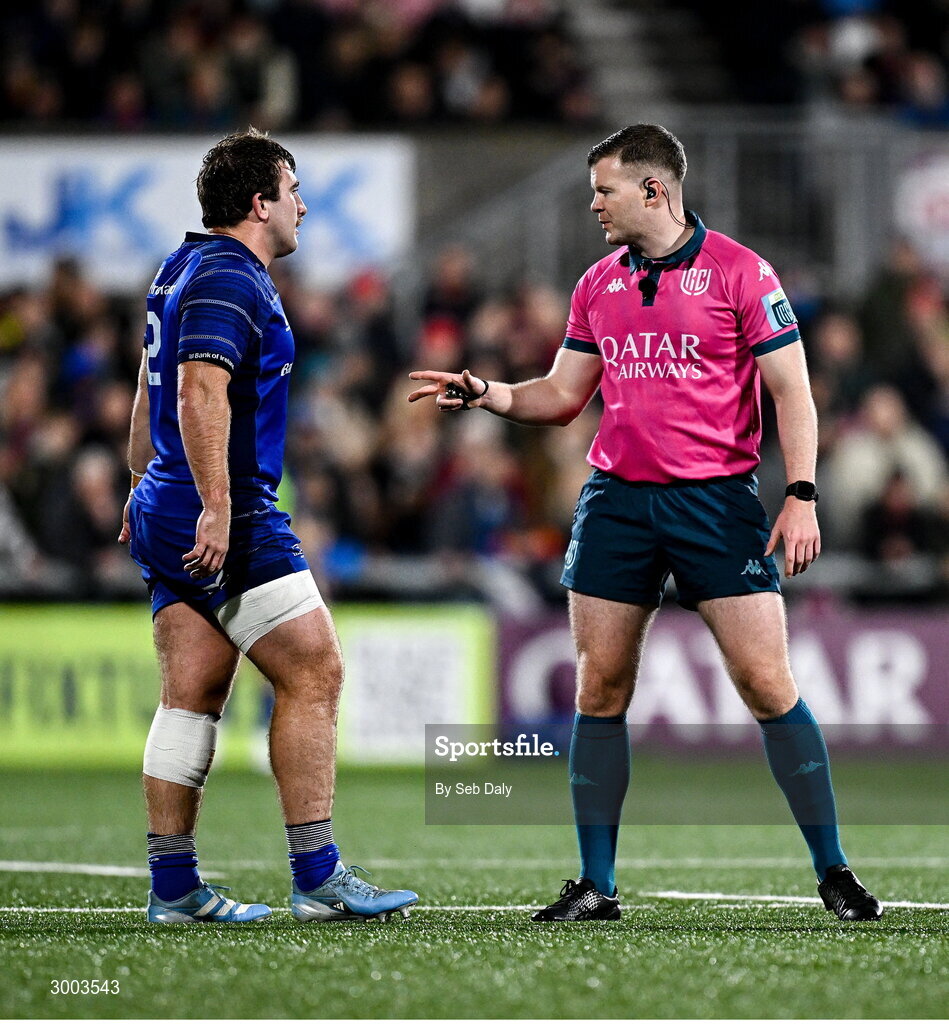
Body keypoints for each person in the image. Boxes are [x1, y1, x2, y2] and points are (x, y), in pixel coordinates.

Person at [408, 123, 883, 923]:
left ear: (652, 190)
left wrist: (799, 492)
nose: (593, 202)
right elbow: (561, 398)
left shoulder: (741, 272)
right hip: (616, 500)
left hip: (716, 503)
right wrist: (487, 391)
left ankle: (833, 868)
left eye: (604, 189)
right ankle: (597, 885)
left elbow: (793, 393)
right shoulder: (597, 284)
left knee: (767, 684)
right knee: (599, 688)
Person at [119, 128, 417, 924]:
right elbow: (196, 392)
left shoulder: (179, 264)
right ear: (259, 203)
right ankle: (318, 875)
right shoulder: (229, 275)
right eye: (293, 191)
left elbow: (150, 389)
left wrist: (148, 478)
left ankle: (174, 888)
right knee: (314, 670)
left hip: (166, 496)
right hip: (227, 507)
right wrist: (213, 503)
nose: (303, 206)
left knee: (191, 695)